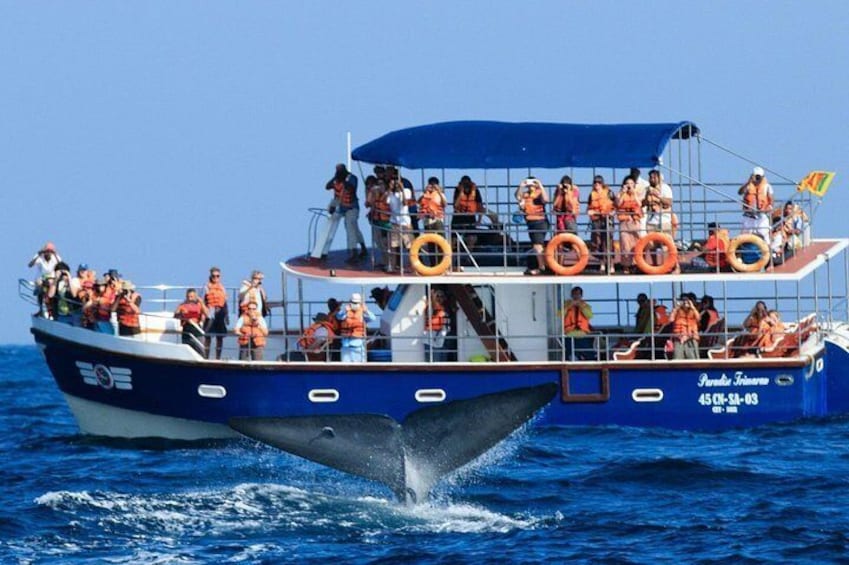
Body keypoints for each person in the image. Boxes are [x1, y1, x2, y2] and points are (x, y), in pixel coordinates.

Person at [311, 163, 368, 263]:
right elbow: (327, 186)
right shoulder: (336, 179)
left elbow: (351, 187)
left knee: (351, 227)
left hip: (351, 207)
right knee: (330, 224)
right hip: (339, 205)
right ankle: (322, 251)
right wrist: (334, 179)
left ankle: (354, 252)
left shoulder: (352, 178)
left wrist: (344, 182)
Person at [516, 177, 550, 275]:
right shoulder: (525, 194)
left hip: (540, 222)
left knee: (537, 245)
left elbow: (546, 199)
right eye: (529, 184)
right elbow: (518, 197)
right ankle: (542, 265)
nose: (531, 186)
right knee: (537, 245)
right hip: (531, 223)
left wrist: (540, 184)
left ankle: (542, 267)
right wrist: (521, 186)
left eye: (533, 184)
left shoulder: (540, 193)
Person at [643, 170, 676, 269]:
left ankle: (672, 266)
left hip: (664, 221)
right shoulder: (647, 189)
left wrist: (658, 196)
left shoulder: (665, 188)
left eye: (654, 177)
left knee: (667, 245)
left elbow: (669, 202)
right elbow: (643, 203)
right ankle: (654, 265)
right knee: (651, 245)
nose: (652, 179)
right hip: (651, 221)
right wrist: (647, 197)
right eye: (650, 177)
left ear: (658, 178)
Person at [335, 292, 376, 362]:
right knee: (345, 366)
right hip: (346, 344)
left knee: (359, 365)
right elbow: (338, 316)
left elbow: (373, 318)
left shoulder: (363, 312)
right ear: (350, 302)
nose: (355, 304)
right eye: (353, 302)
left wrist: (366, 311)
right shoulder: (345, 312)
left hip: (358, 344)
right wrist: (344, 310)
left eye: (357, 303)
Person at [738, 166, 774, 243]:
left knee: (764, 235)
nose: (757, 178)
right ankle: (743, 252)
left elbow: (771, 201)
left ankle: (770, 253)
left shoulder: (767, 187)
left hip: (761, 216)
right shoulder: (748, 186)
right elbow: (740, 192)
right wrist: (748, 182)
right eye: (756, 176)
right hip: (749, 216)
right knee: (745, 236)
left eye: (759, 177)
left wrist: (768, 209)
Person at [587, 175, 615, 272]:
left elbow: (615, 206)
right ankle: (601, 262)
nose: (597, 185)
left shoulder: (609, 193)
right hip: (596, 220)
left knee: (608, 241)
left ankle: (611, 264)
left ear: (602, 184)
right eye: (595, 183)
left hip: (607, 219)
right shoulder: (591, 195)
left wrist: (611, 213)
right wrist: (591, 212)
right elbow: (589, 208)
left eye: (599, 183)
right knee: (597, 242)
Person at [419, 177, 448, 265]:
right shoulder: (424, 194)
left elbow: (445, 204)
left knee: (440, 242)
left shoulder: (440, 194)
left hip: (437, 220)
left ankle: (442, 263)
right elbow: (418, 202)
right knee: (431, 244)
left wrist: (439, 191)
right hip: (427, 222)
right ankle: (433, 264)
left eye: (434, 184)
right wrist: (424, 192)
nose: (432, 186)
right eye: (431, 184)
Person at [616, 177, 643, 273]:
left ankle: (636, 264)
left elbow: (639, 204)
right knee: (625, 244)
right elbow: (618, 204)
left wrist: (634, 193)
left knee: (636, 243)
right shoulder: (620, 194)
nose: (629, 185)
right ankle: (626, 265)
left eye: (631, 183)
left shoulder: (637, 194)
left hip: (635, 222)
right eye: (627, 183)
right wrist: (623, 193)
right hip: (624, 222)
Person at [386, 178, 413, 273]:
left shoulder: (406, 191)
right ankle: (393, 266)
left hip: (405, 222)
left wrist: (402, 190)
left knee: (409, 245)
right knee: (393, 245)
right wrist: (390, 189)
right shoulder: (391, 193)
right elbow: (387, 202)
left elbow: (405, 203)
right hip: (394, 222)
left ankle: (413, 266)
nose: (395, 184)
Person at [28, 242, 62, 316]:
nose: (48, 253)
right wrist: (38, 254)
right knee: (40, 286)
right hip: (41, 277)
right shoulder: (40, 257)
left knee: (53, 287)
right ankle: (40, 309)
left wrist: (55, 254)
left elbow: (61, 266)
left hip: (52, 278)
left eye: (50, 251)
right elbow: (30, 265)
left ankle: (53, 309)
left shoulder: (55, 257)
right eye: (47, 251)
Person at [203, 267, 230, 359]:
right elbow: (202, 302)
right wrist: (204, 314)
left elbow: (225, 302)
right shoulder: (206, 287)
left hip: (221, 312)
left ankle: (218, 357)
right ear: (210, 276)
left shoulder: (222, 288)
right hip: (210, 311)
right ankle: (206, 356)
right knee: (208, 336)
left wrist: (226, 315)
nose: (215, 278)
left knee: (220, 337)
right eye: (213, 276)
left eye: (217, 276)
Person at [451, 175, 484, 253]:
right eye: (464, 183)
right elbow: (455, 205)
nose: (466, 185)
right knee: (454, 238)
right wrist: (461, 192)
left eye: (467, 183)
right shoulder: (457, 190)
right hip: (458, 216)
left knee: (472, 237)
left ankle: (468, 255)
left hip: (470, 216)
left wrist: (479, 220)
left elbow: (480, 206)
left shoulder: (475, 191)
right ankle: (451, 257)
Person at [365, 176, 391, 268]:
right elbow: (367, 204)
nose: (379, 186)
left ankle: (389, 263)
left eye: (381, 184)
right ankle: (385, 262)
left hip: (386, 222)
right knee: (378, 242)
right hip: (376, 220)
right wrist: (370, 192)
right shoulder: (374, 194)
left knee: (386, 243)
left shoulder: (389, 195)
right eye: (378, 184)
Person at [562, 286, 594, 360]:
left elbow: (589, 315)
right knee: (568, 353)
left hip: (582, 334)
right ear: (572, 295)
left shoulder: (586, 306)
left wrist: (581, 306)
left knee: (588, 354)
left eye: (578, 294)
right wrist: (570, 305)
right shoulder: (566, 305)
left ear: (581, 296)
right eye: (574, 294)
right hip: (569, 334)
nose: (576, 296)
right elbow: (560, 314)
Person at [174, 288, 209, 355]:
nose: (190, 299)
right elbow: (175, 315)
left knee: (200, 351)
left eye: (192, 297)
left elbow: (207, 314)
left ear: (195, 297)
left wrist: (201, 302)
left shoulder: (199, 305)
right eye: (188, 297)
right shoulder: (182, 305)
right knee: (186, 352)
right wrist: (183, 316)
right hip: (186, 331)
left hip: (197, 330)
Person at [423, 288, 450, 362]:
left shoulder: (443, 308)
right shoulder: (430, 306)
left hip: (440, 338)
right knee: (432, 361)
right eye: (437, 296)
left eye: (441, 296)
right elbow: (433, 306)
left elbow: (436, 306)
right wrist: (431, 296)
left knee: (440, 360)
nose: (439, 298)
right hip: (430, 338)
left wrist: (432, 295)